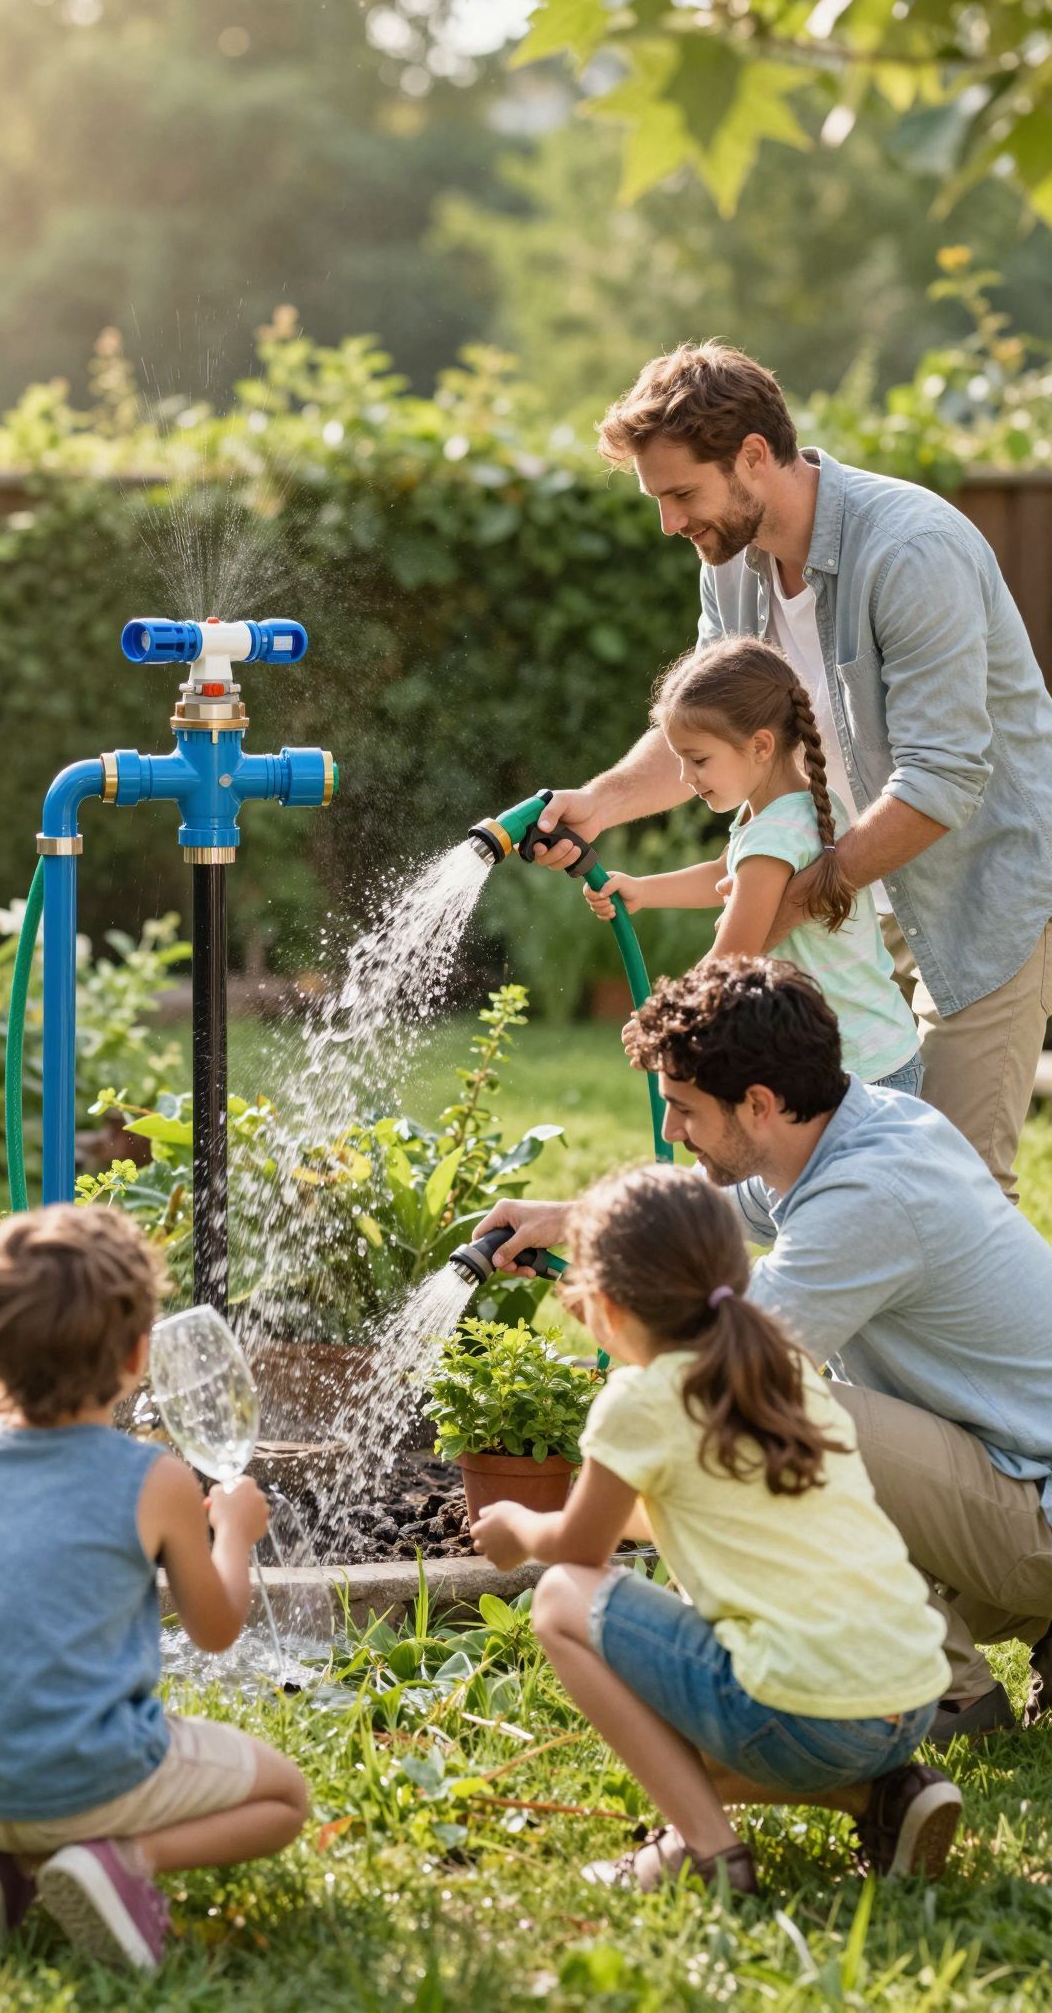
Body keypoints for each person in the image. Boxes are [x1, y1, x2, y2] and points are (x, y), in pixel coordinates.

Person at [481, 955, 1052, 1741]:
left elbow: (707, 1359)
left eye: (684, 1109)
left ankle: (953, 1697)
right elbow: (714, 1207)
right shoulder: (855, 1125)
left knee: (745, 1408)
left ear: (757, 1104)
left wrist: (603, 1300)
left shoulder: (869, 1194)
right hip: (1015, 1480)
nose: (673, 1131)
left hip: (1035, 1520)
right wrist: (567, 1217)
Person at [533, 341, 1052, 1197]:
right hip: (845, 899)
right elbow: (707, 728)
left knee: (947, 1193)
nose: (669, 523)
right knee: (832, 1180)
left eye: (681, 495)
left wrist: (786, 900)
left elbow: (942, 779)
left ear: (752, 457)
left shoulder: (912, 550)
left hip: (974, 892)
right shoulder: (733, 568)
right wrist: (600, 802)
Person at [472, 1164, 957, 1895]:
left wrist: (516, 1525)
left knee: (561, 1601)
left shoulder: (641, 1399)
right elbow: (687, 1511)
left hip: (808, 1715)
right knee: (680, 1751)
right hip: (907, 1698)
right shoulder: (779, 1367)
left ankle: (708, 1853)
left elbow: (578, 1552)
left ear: (604, 1304)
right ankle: (886, 1798)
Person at [0, 1204, 309, 1970]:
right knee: (285, 1798)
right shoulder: (152, 1479)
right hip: (82, 1774)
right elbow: (216, 1630)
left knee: (14, 1771)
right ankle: (119, 1862)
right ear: (137, 1357)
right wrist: (237, 1535)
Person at [585, 636, 921, 1091]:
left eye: (698, 759)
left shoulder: (777, 834)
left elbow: (736, 951)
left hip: (857, 1073)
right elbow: (727, 872)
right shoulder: (792, 807)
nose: (686, 777)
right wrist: (644, 889)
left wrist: (667, 1016)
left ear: (761, 745)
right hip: (867, 1055)